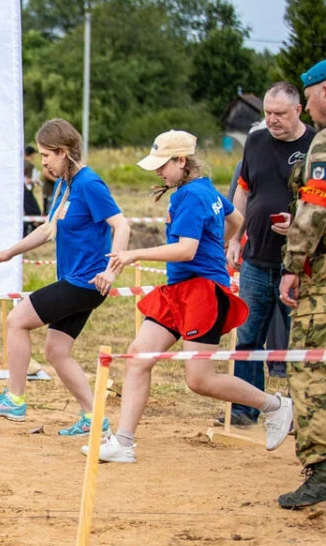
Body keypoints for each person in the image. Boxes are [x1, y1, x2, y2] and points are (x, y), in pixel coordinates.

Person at [86, 129, 293, 463]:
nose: (158, 171)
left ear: (182, 161)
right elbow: (235, 218)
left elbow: (186, 249)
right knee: (139, 355)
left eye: (163, 164)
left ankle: (275, 406)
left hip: (202, 292)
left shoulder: (193, 195)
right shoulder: (200, 189)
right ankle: (123, 442)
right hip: (179, 290)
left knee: (200, 380)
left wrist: (134, 254)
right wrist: (220, 243)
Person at [0, 119, 131, 436]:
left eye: (47, 155)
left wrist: (111, 270)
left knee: (17, 320)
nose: (43, 162)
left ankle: (14, 399)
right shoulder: (66, 184)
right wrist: (9, 252)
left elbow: (122, 226)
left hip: (85, 283)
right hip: (78, 281)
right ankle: (94, 418)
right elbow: (49, 230)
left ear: (63, 152)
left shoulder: (89, 184)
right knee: (57, 352)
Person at [225, 82, 313, 427]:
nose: (272, 120)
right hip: (256, 258)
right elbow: (244, 191)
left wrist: (299, 222)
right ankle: (246, 409)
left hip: (300, 262)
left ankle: (303, 415)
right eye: (268, 113)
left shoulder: (315, 147)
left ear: (298, 111)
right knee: (248, 336)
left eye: (279, 114)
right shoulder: (257, 141)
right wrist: (234, 238)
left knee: (300, 343)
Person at [277, 59, 326, 509]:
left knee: (309, 368)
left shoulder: (324, 145)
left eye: (309, 96)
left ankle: (321, 468)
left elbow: (314, 212)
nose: (308, 106)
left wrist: (292, 263)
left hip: (322, 280)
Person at [23, 145, 43, 236]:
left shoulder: (20, 163)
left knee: (27, 213)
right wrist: (35, 181)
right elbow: (25, 179)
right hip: (27, 191)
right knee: (35, 213)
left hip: (22, 192)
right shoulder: (29, 165)